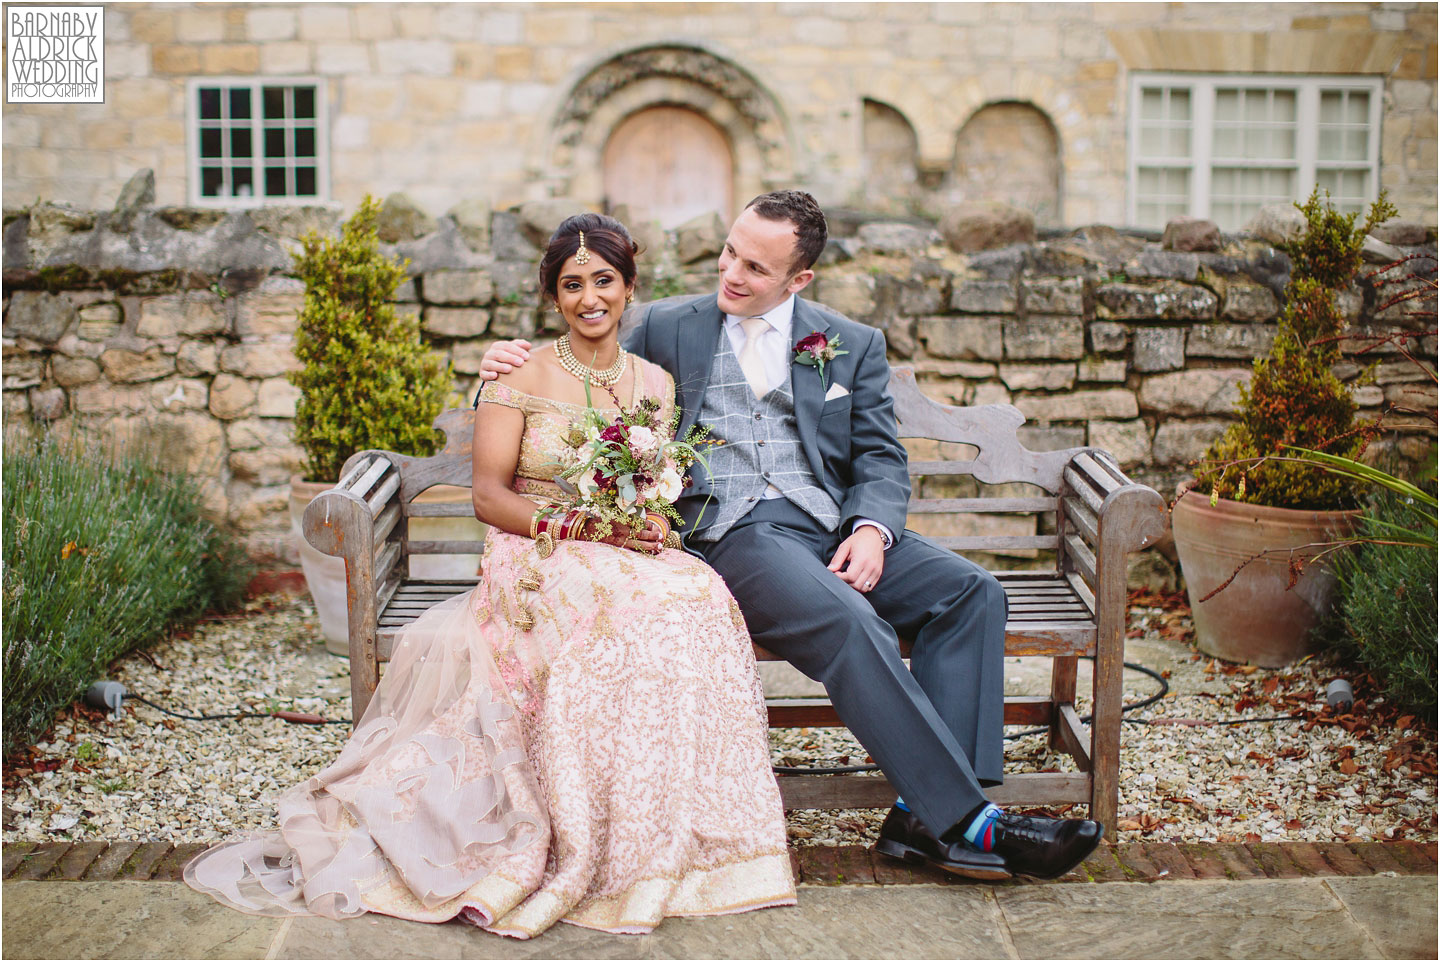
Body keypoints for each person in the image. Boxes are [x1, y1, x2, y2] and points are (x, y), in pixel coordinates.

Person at [184, 214, 796, 938]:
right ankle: (580, 830)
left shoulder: (654, 384)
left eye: (604, 281)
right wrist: (580, 527)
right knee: (617, 606)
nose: (589, 298)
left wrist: (649, 518)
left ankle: (663, 824)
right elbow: (488, 497)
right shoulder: (521, 378)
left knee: (696, 594)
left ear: (629, 288)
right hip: (533, 544)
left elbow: (652, 483)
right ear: (553, 297)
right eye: (572, 285)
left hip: (615, 547)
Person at [481, 191, 1103, 881]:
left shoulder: (851, 344)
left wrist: (871, 529)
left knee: (972, 593)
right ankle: (969, 820)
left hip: (829, 525)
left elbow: (879, 458)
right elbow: (581, 338)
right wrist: (503, 361)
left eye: (755, 267)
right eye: (729, 251)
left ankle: (923, 819)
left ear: (798, 280)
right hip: (734, 534)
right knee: (850, 622)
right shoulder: (665, 326)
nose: (731, 273)